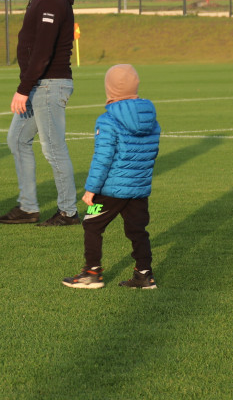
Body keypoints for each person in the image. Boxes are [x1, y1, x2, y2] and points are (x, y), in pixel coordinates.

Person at [0, 0, 79, 227]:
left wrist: (23, 89)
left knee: (53, 148)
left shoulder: (52, 0)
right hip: (40, 85)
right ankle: (28, 207)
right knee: (17, 139)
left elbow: (43, 50)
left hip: (48, 85)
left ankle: (68, 212)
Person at [62, 64, 160, 290]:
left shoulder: (107, 120)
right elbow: (151, 152)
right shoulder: (151, 119)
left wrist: (90, 189)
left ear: (110, 89)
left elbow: (103, 158)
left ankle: (91, 273)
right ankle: (144, 275)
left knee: (91, 223)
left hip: (110, 191)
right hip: (138, 189)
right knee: (137, 230)